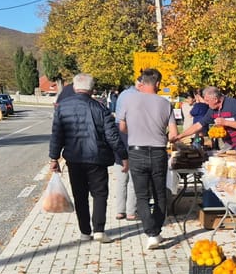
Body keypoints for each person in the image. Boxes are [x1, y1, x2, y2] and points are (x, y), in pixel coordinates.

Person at [48, 73, 128, 243]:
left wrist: (54, 158)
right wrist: (123, 156)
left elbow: (57, 135)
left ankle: (85, 232)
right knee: (100, 194)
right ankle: (99, 230)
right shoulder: (100, 108)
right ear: (92, 90)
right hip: (97, 158)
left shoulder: (62, 107)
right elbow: (112, 136)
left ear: (75, 88)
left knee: (80, 195)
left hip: (74, 158)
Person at [119, 68, 178, 250]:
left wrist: (135, 132)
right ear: (158, 84)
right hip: (159, 152)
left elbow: (121, 127)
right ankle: (156, 231)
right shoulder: (165, 103)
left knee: (142, 195)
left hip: (136, 152)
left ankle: (150, 233)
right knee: (160, 194)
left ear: (141, 82)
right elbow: (174, 135)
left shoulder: (128, 99)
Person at [179, 86, 236, 150]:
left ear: (215, 99)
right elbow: (198, 125)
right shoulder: (212, 109)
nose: (206, 103)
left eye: (207, 101)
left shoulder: (233, 104)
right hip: (230, 146)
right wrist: (179, 136)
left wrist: (225, 122)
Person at [111, 78, 141, 221]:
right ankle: (130, 212)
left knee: (122, 178)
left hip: (120, 140)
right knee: (133, 180)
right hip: (133, 138)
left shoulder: (123, 94)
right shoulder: (137, 96)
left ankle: (120, 211)